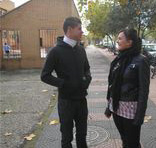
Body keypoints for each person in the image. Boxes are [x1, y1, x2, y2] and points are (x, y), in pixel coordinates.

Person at [41, 17, 92, 148]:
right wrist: (63, 84)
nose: (82, 32)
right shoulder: (55, 51)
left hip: (81, 100)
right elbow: (45, 76)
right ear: (69, 30)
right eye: (79, 29)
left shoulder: (81, 49)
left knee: (82, 135)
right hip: (66, 102)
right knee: (66, 137)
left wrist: (87, 79)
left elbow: (87, 69)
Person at [105, 28, 150, 148]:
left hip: (131, 110)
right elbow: (112, 84)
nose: (117, 41)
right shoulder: (119, 59)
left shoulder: (141, 61)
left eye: (120, 38)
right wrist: (109, 106)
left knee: (133, 142)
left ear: (129, 42)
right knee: (124, 139)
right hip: (116, 107)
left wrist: (140, 115)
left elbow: (144, 90)